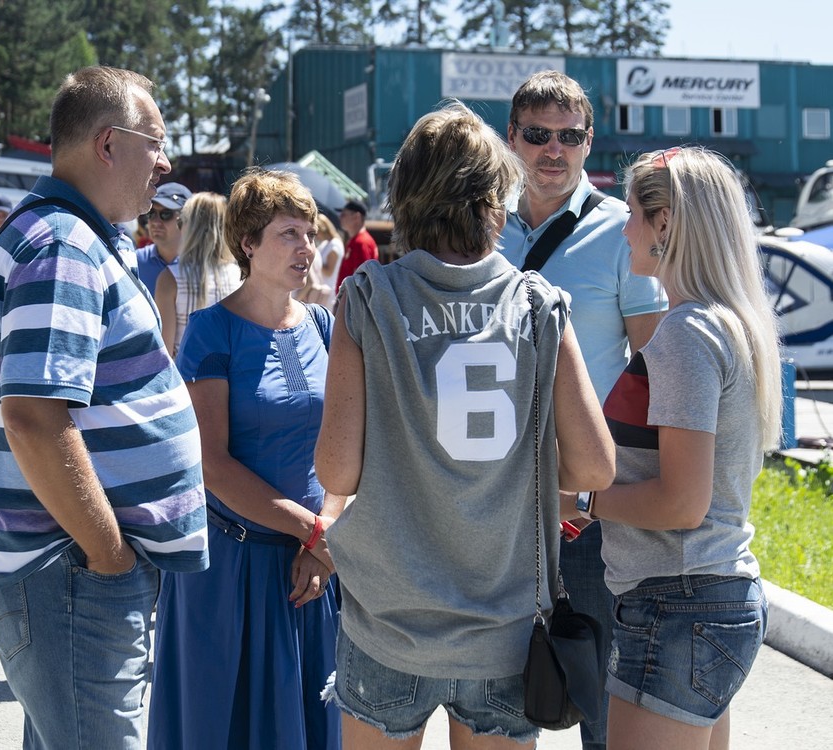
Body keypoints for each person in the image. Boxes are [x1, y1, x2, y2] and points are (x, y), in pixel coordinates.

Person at [316, 102, 615, 749]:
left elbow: (336, 471)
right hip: (504, 629)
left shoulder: (368, 296)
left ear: (405, 193)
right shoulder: (537, 304)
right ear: (496, 198)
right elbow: (594, 468)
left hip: (389, 621)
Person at [0, 65, 209, 749]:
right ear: (108, 144)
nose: (165, 164)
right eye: (155, 142)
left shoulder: (76, 238)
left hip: (70, 569)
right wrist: (107, 555)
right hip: (73, 569)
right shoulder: (65, 246)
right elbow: (35, 417)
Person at [585, 146, 780, 750]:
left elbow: (681, 504)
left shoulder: (686, 334)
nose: (624, 227)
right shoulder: (728, 321)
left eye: (634, 214)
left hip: (677, 600)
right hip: (705, 596)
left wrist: (582, 499)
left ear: (665, 223)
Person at [498, 69, 666, 750]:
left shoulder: (617, 234)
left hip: (587, 511)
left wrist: (630, 488)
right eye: (536, 134)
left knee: (599, 694)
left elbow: (653, 371)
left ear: (588, 144)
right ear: (510, 138)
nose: (552, 150)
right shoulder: (482, 227)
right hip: (499, 498)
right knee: (506, 694)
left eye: (569, 137)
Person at [148, 169, 343, 750]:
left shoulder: (325, 326)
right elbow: (214, 464)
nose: (306, 247)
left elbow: (345, 448)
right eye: (288, 234)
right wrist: (314, 532)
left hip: (311, 568)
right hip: (233, 571)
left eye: (309, 233)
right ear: (247, 244)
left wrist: (322, 539)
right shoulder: (212, 331)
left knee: (310, 724)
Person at [153, 191, 240, 357]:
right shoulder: (240, 275)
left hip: (187, 376)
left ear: (190, 228)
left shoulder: (170, 278)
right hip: (230, 376)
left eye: (180, 223)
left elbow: (164, 352)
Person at [134, 181, 192, 294]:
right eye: (151, 213)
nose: (155, 222)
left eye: (166, 214)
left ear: (187, 218)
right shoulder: (135, 262)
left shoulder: (204, 264)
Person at [335, 199, 377, 293]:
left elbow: (362, 280)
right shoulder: (358, 240)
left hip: (353, 301)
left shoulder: (361, 242)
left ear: (356, 217)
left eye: (344, 215)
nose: (340, 218)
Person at [316, 213, 343, 300]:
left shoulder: (335, 245)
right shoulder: (325, 244)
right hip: (321, 291)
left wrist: (314, 263)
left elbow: (329, 271)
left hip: (329, 293)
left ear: (323, 230)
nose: (316, 236)